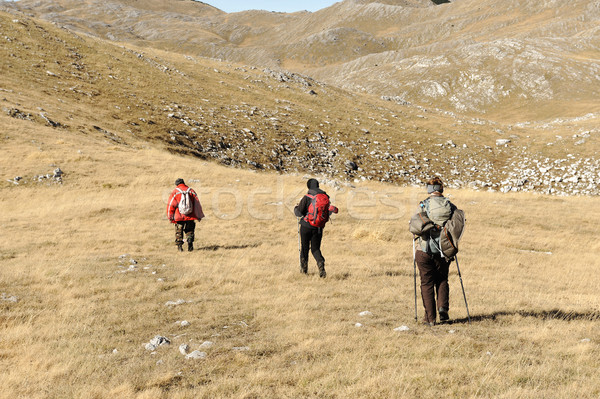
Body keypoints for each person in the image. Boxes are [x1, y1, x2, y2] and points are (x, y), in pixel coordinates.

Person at [412, 177, 457, 326]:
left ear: (429, 190)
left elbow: (415, 224)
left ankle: (430, 318)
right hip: (444, 250)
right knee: (442, 279)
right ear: (441, 189)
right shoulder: (450, 206)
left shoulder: (423, 205)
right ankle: (443, 308)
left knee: (426, 283)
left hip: (424, 249)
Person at [294, 178, 338, 278]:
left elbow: (299, 213)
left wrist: (295, 208)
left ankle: (304, 271)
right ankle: (320, 262)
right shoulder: (325, 197)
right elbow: (327, 212)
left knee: (304, 248)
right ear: (318, 185)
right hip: (318, 227)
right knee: (315, 249)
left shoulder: (307, 197)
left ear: (308, 186)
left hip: (306, 226)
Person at [166, 178, 204, 252]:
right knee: (190, 230)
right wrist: (199, 215)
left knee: (178, 231)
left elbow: (171, 205)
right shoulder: (191, 191)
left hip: (178, 217)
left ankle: (180, 247)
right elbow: (197, 204)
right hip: (190, 216)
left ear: (177, 184)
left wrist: (170, 217)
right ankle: (190, 244)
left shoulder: (175, 192)